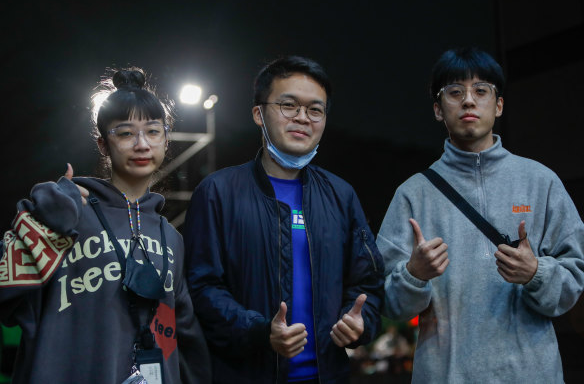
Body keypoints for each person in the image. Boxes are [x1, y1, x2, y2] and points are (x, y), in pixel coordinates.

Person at [376, 46, 584, 383]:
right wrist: (414, 275)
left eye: (481, 91)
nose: (468, 101)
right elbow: (387, 302)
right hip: (446, 375)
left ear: (498, 105)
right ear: (438, 109)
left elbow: (575, 279)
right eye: (455, 92)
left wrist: (536, 272)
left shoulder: (541, 182)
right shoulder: (413, 194)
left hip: (532, 374)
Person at [0, 68, 211, 383]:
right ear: (102, 144)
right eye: (125, 133)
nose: (142, 144)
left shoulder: (171, 238)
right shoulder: (71, 212)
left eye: (153, 131)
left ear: (166, 140)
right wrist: (45, 218)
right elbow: (8, 295)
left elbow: (177, 334)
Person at [184, 55, 385, 384]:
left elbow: (369, 284)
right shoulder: (216, 192)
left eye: (315, 109)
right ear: (258, 114)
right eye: (288, 105)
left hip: (327, 375)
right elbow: (201, 288)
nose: (302, 118)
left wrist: (362, 324)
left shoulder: (341, 195)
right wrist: (261, 332)